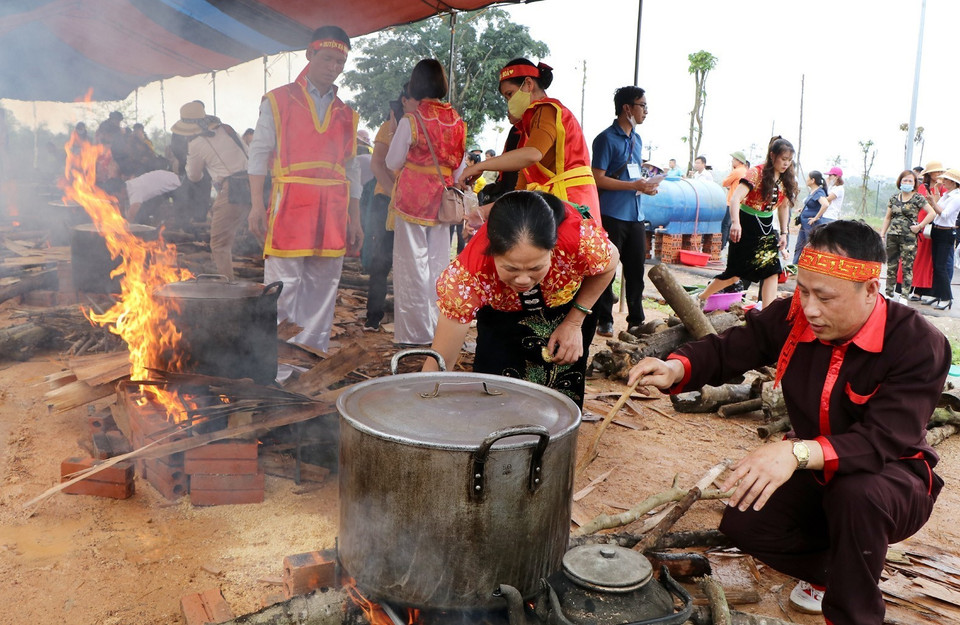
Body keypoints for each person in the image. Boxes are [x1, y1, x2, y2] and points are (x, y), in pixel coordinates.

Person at [628, 219, 949, 625]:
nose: (809, 308)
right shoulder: (796, 316)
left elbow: (883, 440)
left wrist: (795, 451)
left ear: (870, 290)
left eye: (825, 297)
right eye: (803, 290)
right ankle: (834, 571)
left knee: (857, 494)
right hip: (813, 466)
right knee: (746, 523)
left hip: (891, 477)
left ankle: (855, 613)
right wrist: (677, 367)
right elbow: (736, 347)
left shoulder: (919, 344)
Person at [426, 191, 618, 407]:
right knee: (493, 385)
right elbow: (440, 362)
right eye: (511, 268)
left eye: (536, 267)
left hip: (568, 307)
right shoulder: (467, 277)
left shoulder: (578, 239)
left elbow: (611, 262)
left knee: (560, 392)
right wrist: (423, 407)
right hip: (502, 314)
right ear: (492, 252)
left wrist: (574, 322)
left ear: (553, 248)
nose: (524, 280)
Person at [247, 25, 363, 354]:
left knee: (323, 288)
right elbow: (257, 154)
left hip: (334, 209)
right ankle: (278, 366)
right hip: (290, 205)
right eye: (327, 58)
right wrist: (257, 205)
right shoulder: (278, 100)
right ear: (310, 54)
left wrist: (355, 219)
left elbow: (352, 169)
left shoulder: (347, 114)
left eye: (340, 62)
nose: (333, 67)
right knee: (283, 287)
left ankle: (310, 360)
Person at [385, 58, 467, 346]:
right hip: (443, 201)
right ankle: (436, 330)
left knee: (411, 266)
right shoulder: (458, 121)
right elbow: (459, 169)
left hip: (412, 199)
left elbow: (392, 160)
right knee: (438, 264)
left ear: (416, 83)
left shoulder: (412, 119)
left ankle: (412, 334)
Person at [459, 58, 600, 220]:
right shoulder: (529, 130)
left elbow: (533, 153)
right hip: (558, 207)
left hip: (571, 204)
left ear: (528, 84)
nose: (509, 103)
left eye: (509, 94)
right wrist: (481, 213)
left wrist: (479, 167)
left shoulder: (547, 109)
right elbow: (520, 192)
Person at [591, 85, 661, 337]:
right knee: (607, 270)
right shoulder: (605, 139)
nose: (646, 111)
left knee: (635, 271)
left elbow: (634, 176)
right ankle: (604, 319)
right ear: (627, 108)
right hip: (611, 214)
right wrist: (632, 185)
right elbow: (597, 178)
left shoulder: (637, 139)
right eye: (642, 105)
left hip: (635, 214)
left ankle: (636, 321)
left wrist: (646, 187)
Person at [698, 137, 798, 309]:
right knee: (734, 275)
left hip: (766, 227)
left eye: (789, 160)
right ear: (772, 156)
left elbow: (783, 207)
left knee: (772, 271)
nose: (786, 164)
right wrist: (735, 223)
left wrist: (784, 232)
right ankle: (702, 297)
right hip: (745, 224)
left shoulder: (786, 179)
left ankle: (767, 315)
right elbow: (736, 198)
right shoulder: (756, 173)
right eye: (783, 159)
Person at [172, 101, 251, 280]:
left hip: (233, 190)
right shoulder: (227, 129)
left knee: (219, 244)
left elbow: (193, 176)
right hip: (255, 184)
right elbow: (247, 154)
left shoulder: (197, 144)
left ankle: (228, 288)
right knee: (261, 233)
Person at [362, 87, 419, 332]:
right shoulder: (389, 127)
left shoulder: (427, 127)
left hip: (415, 206)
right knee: (381, 261)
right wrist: (395, 196)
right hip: (386, 202)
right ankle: (373, 317)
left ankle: (408, 320)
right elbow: (377, 164)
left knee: (412, 263)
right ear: (405, 100)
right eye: (417, 98)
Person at [879, 170, 927, 302]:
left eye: (910, 180)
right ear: (900, 181)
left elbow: (932, 213)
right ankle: (889, 293)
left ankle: (904, 295)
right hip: (893, 235)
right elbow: (888, 217)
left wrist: (919, 226)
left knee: (907, 266)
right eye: (904, 180)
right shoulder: (894, 198)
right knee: (891, 266)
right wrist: (882, 233)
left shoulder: (918, 198)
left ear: (914, 183)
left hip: (909, 237)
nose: (907, 183)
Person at [915, 167, 960, 310]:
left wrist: (933, 203)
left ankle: (947, 297)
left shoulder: (956, 198)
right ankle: (937, 294)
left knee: (941, 267)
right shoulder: (947, 195)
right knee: (936, 265)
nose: (943, 181)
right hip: (937, 231)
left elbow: (944, 214)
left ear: (953, 182)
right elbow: (936, 208)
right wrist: (934, 197)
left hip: (946, 232)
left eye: (946, 179)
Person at [791, 170, 828, 263]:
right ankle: (794, 267)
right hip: (804, 223)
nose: (806, 179)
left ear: (813, 180)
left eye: (808, 177)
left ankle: (808, 267)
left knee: (810, 247)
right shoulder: (813, 191)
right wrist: (802, 210)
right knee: (799, 246)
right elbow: (812, 205)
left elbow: (825, 204)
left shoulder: (819, 192)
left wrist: (816, 218)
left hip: (811, 225)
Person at [721, 151, 749, 250]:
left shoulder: (737, 171)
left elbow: (724, 183)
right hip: (741, 204)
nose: (732, 161)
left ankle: (721, 246)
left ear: (738, 161)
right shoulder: (746, 171)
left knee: (725, 225)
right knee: (733, 226)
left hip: (731, 202)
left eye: (733, 160)